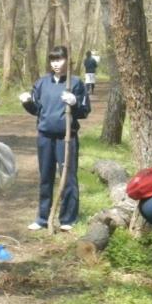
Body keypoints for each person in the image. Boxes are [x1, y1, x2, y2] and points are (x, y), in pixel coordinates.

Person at [19, 46, 91, 231]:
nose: (56, 64)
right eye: (53, 60)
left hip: (66, 138)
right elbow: (37, 110)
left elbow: (84, 111)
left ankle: (68, 218)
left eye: (59, 60)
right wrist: (27, 102)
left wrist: (74, 103)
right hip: (45, 136)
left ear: (67, 60)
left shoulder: (75, 83)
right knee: (45, 176)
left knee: (68, 177)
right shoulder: (42, 83)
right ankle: (42, 218)